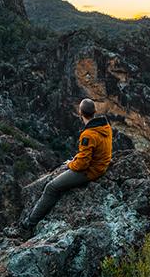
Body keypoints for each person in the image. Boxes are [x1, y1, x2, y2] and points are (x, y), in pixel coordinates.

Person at [21, 98, 113, 229]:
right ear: (95, 111)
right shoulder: (105, 126)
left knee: (51, 187)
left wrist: (70, 165)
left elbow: (82, 165)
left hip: (91, 171)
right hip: (101, 165)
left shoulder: (88, 135)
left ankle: (29, 223)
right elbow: (94, 151)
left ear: (80, 113)